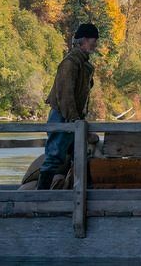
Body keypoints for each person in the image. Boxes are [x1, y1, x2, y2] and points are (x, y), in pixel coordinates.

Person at [38, 22, 99, 189]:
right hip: (63, 116)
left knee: (78, 155)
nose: (95, 44)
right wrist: (75, 121)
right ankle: (38, 198)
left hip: (72, 118)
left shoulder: (83, 63)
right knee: (54, 156)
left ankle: (80, 192)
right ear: (84, 40)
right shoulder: (71, 62)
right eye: (94, 41)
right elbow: (65, 95)